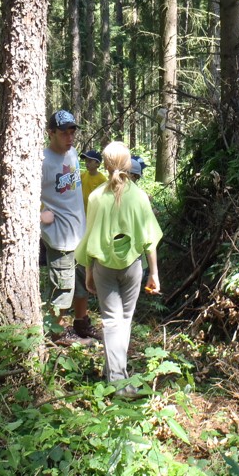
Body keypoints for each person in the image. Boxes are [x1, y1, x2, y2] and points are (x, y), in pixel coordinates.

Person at [76, 141, 162, 397]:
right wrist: (154, 272)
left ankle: (115, 375)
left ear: (105, 164)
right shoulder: (139, 196)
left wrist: (90, 271)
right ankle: (118, 381)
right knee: (121, 321)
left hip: (103, 267)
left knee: (114, 321)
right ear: (128, 165)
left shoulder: (95, 197)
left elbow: (91, 236)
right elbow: (149, 237)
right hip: (133, 266)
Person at [41, 110, 101, 342]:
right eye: (64, 132)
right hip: (59, 236)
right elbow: (20, 197)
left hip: (79, 233)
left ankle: (81, 323)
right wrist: (40, 215)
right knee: (62, 288)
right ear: (51, 133)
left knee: (82, 283)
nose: (69, 137)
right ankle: (55, 333)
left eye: (72, 132)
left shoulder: (73, 154)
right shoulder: (43, 161)